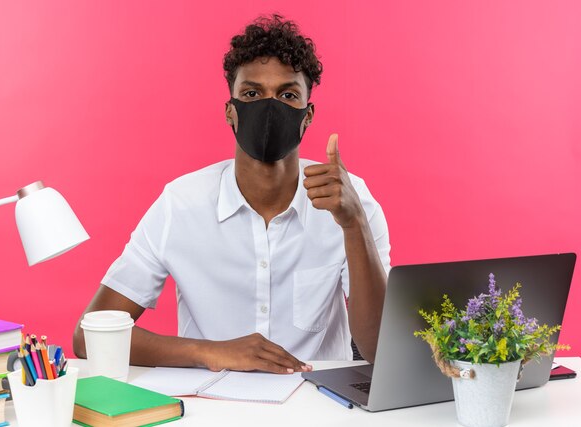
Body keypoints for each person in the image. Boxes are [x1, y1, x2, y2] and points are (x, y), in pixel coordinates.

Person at [73, 14, 391, 374]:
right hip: (209, 405)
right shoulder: (181, 204)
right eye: (252, 94)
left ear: (308, 115)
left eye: (288, 95)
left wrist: (354, 226)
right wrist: (210, 352)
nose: (269, 107)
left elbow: (381, 349)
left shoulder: (351, 200)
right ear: (230, 111)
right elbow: (88, 336)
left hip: (319, 402)